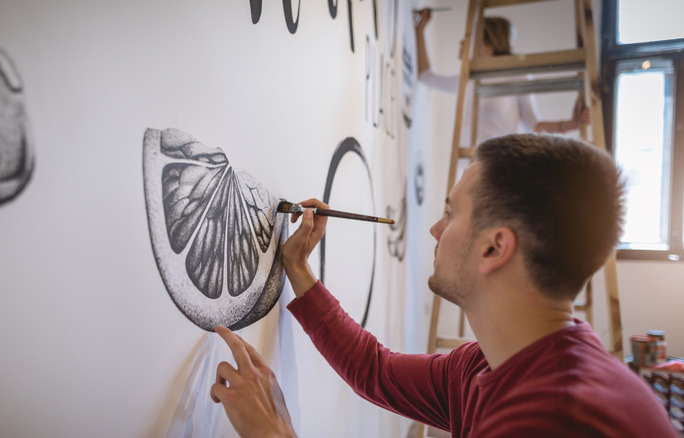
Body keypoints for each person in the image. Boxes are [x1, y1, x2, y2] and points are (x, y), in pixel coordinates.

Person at [210, 133, 679, 437]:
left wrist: (274, 433)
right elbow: (376, 371)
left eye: (451, 213)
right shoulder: (492, 363)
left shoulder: (557, 417)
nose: (436, 229)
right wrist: (299, 270)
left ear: (495, 248)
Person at [415, 9, 589, 144]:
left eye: (469, 37)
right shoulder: (468, 80)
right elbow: (426, 77)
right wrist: (420, 31)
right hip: (469, 169)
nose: (462, 42)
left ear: (488, 45)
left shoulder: (516, 77)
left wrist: (572, 124)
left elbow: (533, 125)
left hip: (497, 167)